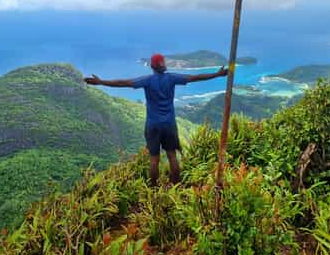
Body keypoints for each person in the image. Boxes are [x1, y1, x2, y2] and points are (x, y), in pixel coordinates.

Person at [84, 54, 228, 186]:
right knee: (172, 155)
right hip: (169, 124)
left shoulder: (147, 80)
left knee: (154, 159)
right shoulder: (171, 78)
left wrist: (101, 82)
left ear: (152, 67)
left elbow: (124, 83)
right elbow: (195, 77)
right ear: (163, 65)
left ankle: (153, 189)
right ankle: (176, 186)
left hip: (153, 124)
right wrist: (217, 74)